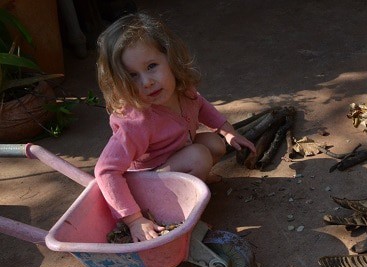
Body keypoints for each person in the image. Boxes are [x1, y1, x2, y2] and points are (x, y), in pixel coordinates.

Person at [94, 13, 256, 242]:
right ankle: (175, 215)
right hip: (146, 183)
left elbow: (201, 106)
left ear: (170, 58)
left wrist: (228, 131)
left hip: (172, 160)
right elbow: (106, 170)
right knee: (199, 155)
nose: (146, 82)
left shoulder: (182, 90)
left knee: (214, 143)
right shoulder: (136, 121)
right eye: (132, 76)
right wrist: (134, 219)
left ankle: (190, 184)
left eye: (151, 66)